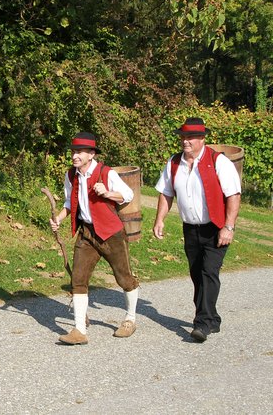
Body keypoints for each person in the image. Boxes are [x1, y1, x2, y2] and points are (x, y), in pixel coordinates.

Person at [153, 117, 241, 343]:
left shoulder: (218, 162)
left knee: (208, 271)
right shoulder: (174, 163)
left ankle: (201, 324)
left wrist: (228, 227)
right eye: (183, 137)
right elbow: (166, 193)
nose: (185, 141)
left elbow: (233, 195)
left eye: (190, 137)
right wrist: (159, 219)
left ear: (202, 139)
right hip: (190, 228)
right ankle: (212, 318)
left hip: (216, 227)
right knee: (196, 273)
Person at [50, 132, 139, 345]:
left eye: (79, 152)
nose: (74, 155)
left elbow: (128, 195)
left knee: (124, 278)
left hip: (111, 233)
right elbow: (69, 204)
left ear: (91, 154)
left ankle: (130, 319)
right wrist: (59, 219)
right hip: (87, 233)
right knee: (78, 279)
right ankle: (79, 330)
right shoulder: (71, 175)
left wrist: (107, 193)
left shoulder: (106, 173)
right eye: (73, 151)